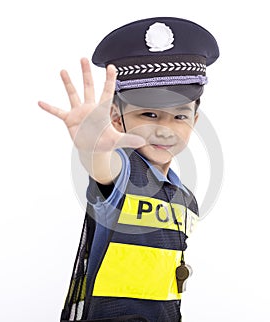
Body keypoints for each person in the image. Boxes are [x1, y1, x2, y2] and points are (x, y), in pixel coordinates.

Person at [38, 17, 219, 322]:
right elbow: (104, 169)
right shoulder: (122, 172)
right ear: (117, 118)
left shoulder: (185, 199)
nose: (165, 130)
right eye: (149, 114)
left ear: (195, 121)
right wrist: (93, 147)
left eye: (179, 117)